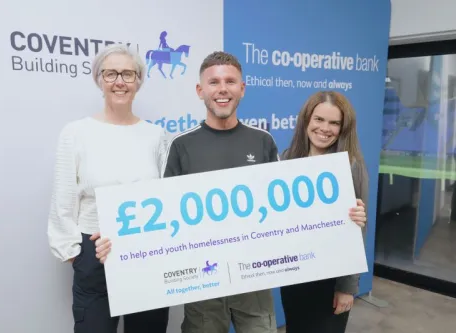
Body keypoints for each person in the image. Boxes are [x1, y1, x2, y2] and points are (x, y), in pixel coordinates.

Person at [92, 52, 367, 333]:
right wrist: (120, 241)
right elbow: (161, 219)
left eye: (230, 81)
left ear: (242, 89)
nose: (222, 89)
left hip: (255, 283)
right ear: (200, 91)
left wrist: (344, 217)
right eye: (213, 82)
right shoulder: (180, 145)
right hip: (204, 287)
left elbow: (288, 216)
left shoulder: (263, 141)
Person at [47, 43, 169, 333]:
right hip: (95, 255)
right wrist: (77, 254)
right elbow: (63, 201)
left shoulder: (157, 136)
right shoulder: (75, 133)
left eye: (128, 74)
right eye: (111, 73)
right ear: (99, 79)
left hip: (146, 254)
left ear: (138, 81)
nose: (119, 82)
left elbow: (167, 197)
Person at [279, 90, 368, 333]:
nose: (325, 128)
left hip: (331, 280)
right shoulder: (286, 160)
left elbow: (357, 232)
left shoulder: (350, 165)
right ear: (306, 120)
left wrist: (347, 287)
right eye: (319, 119)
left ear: (343, 128)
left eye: (334, 123)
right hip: (295, 275)